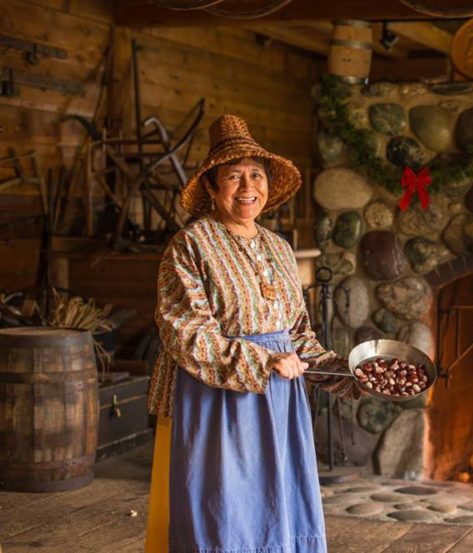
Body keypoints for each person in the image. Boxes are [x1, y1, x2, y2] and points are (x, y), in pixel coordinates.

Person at [144, 114, 358, 553]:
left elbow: (296, 333)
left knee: (280, 501)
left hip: (280, 398)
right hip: (216, 396)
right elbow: (186, 331)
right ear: (210, 187)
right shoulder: (192, 244)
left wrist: (345, 371)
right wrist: (263, 362)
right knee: (225, 508)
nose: (247, 187)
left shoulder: (278, 247)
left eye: (256, 175)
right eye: (233, 176)